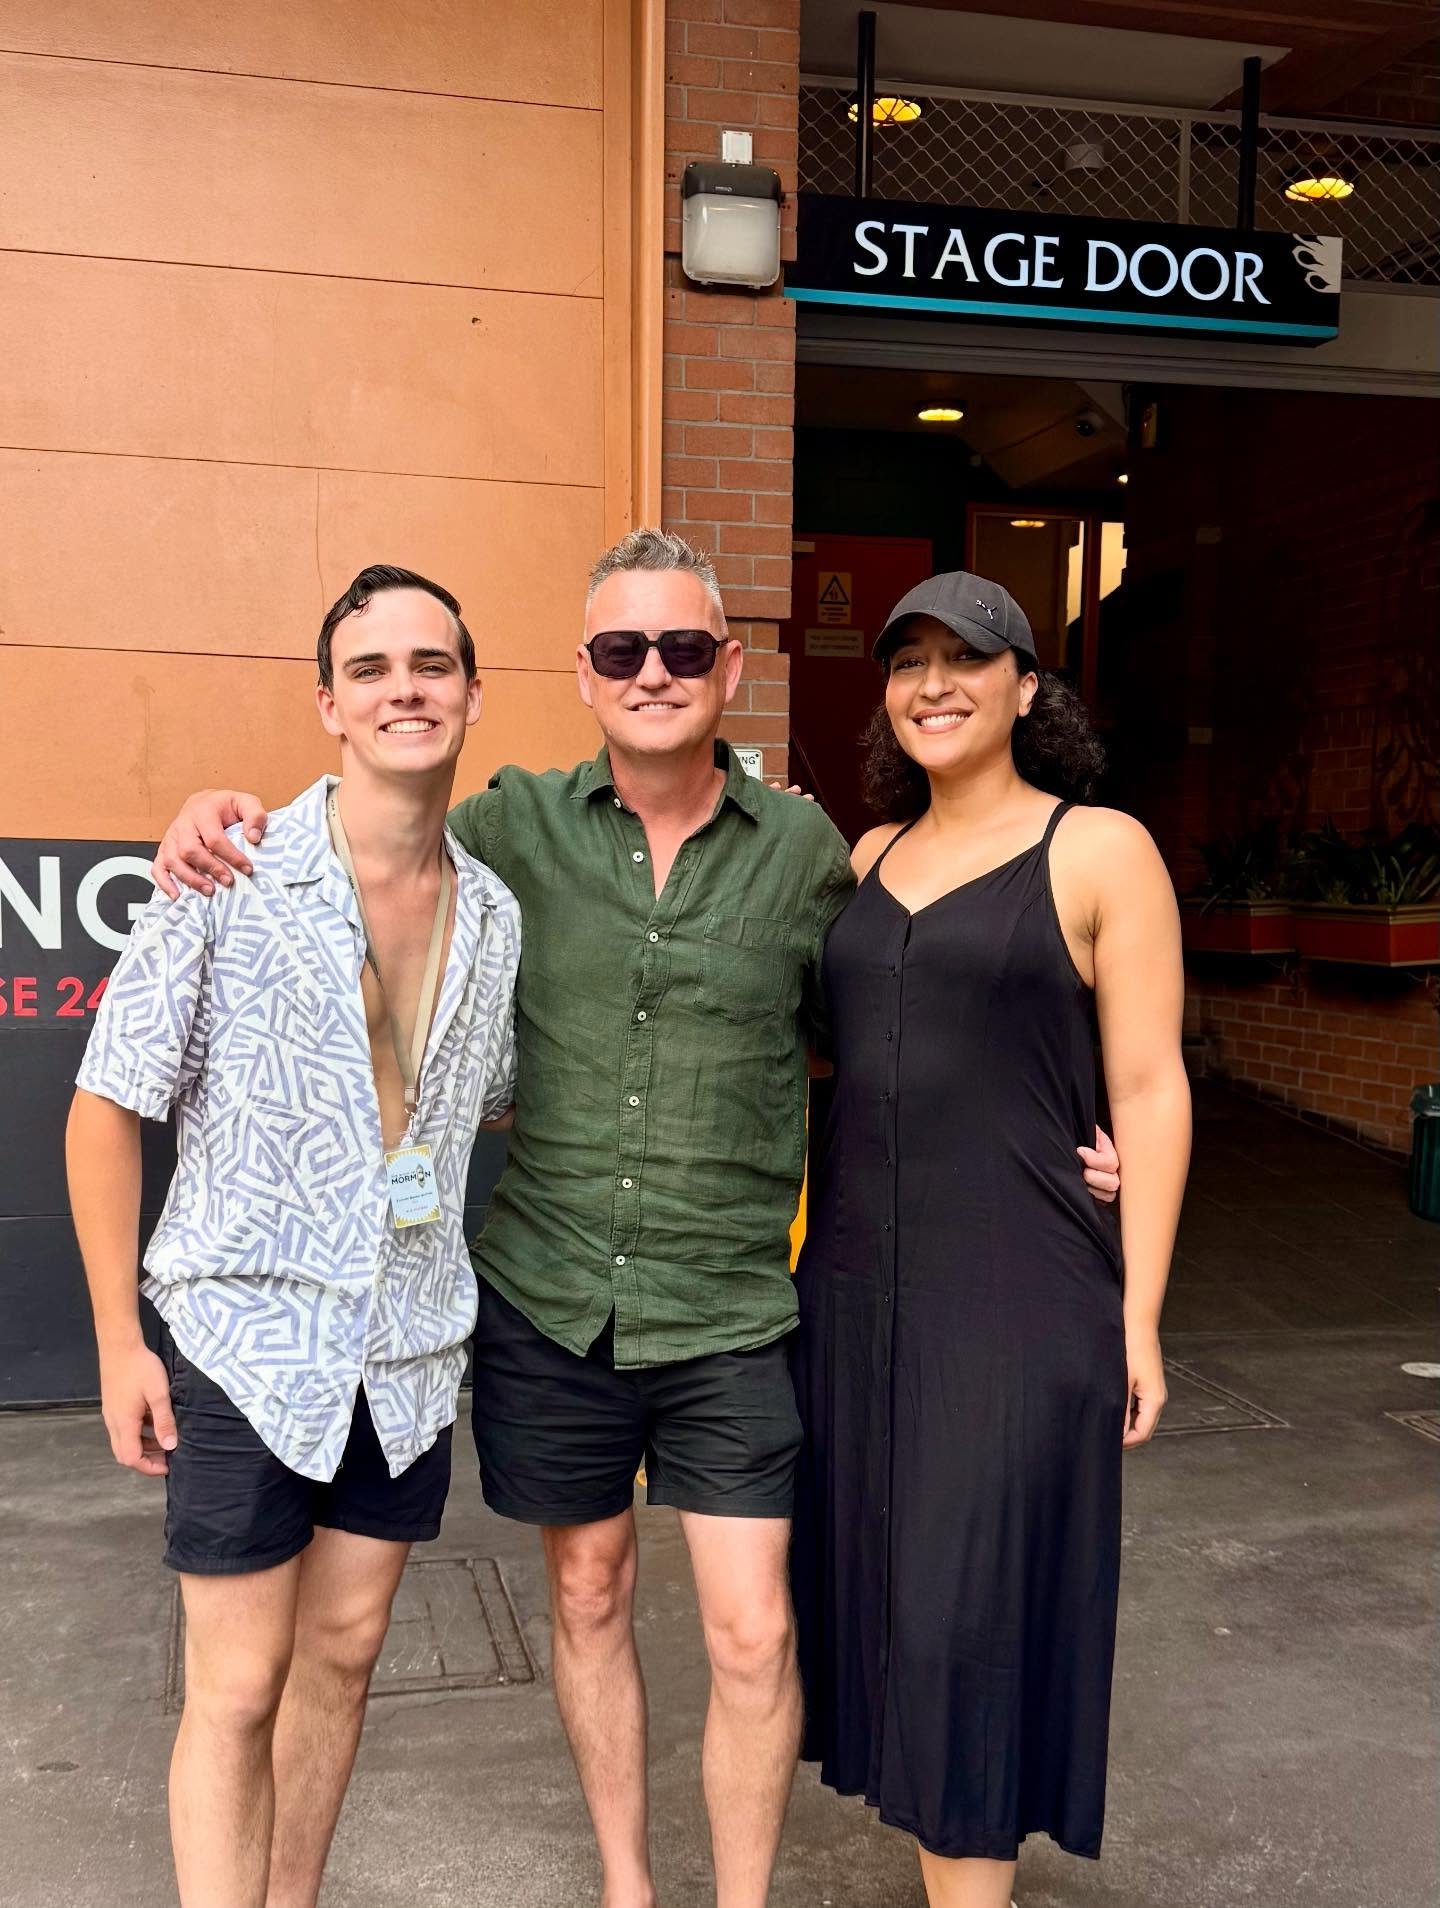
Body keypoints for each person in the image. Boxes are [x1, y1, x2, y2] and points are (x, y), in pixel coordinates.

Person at [148, 531, 1121, 1908]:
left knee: (753, 1631)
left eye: (682, 647)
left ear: (729, 669)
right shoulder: (509, 828)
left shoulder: (809, 855)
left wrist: (1057, 1148)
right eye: (622, 649)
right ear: (584, 673)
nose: (652, 671)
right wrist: (215, 814)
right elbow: (373, 818)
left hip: (733, 1309)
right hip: (552, 1300)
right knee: (590, 1594)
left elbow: (919, 1023)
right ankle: (628, 1887)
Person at [66, 565, 520, 1908]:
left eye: (430, 665)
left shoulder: (497, 915)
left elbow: (484, 1100)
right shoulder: (231, 867)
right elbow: (104, 1110)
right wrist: (118, 1344)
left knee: (344, 1654)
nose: (403, 691)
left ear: (473, 692)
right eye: (370, 670)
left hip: (406, 1347)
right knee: (238, 1683)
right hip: (243, 1337)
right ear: (328, 704)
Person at [788, 571, 1191, 1908]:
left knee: (963, 1619)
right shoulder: (861, 859)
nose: (934, 684)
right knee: (890, 1609)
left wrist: (1139, 1315)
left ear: (1028, 687)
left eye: (968, 658)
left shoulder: (1099, 850)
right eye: (908, 661)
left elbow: (1150, 1087)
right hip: (854, 1298)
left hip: (1018, 1295)